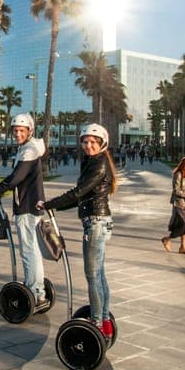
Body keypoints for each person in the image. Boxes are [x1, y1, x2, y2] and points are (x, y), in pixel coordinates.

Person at [38, 123, 116, 339]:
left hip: (96, 222)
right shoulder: (94, 162)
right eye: (85, 141)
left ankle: (98, 323)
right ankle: (105, 322)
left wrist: (50, 203)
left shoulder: (98, 165)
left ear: (101, 144)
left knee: (92, 275)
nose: (88, 145)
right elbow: (82, 197)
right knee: (99, 275)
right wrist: (54, 206)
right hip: (97, 221)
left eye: (93, 142)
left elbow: (78, 192)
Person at [0, 114, 47, 306]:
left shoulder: (29, 150)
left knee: (28, 251)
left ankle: (34, 290)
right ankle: (38, 289)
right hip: (30, 204)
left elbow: (16, 177)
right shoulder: (29, 148)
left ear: (30, 131)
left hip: (27, 207)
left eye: (21, 131)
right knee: (32, 250)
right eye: (15, 131)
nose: (18, 134)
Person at [162, 156, 185, 255]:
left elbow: (184, 189)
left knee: (183, 225)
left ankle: (183, 247)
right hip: (179, 203)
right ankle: (167, 239)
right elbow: (176, 190)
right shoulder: (178, 174)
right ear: (183, 165)